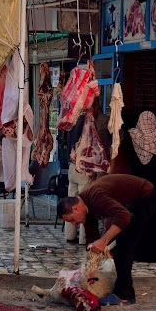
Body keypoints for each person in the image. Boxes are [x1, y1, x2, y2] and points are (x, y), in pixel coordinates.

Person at [57, 173, 156, 305]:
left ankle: (125, 295)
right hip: (132, 203)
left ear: (75, 208)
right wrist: (92, 268)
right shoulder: (85, 207)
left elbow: (124, 215)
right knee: (118, 245)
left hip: (147, 196)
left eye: (71, 219)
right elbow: (92, 238)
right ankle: (124, 291)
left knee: (124, 246)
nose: (72, 224)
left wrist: (104, 241)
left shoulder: (95, 197)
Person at [111, 111, 156, 261]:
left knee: (139, 219)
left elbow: (122, 153)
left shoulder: (132, 135)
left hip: (138, 185)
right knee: (155, 220)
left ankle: (138, 253)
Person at [64, 98, 111, 245]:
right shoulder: (102, 120)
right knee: (84, 204)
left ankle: (70, 236)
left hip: (73, 167)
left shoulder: (74, 119)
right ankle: (85, 238)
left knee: (71, 202)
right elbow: (118, 138)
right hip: (88, 169)